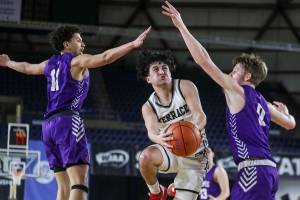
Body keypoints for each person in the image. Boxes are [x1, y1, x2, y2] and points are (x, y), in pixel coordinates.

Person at [162, 1, 296, 199]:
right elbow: (291, 124)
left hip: (252, 170)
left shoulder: (238, 90)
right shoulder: (264, 104)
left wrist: (181, 26)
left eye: (235, 71)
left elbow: (204, 61)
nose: (230, 74)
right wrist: (286, 113)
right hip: (270, 172)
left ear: (247, 77)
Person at [0, 25, 150, 200]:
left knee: (63, 186)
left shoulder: (49, 63)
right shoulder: (75, 61)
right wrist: (132, 44)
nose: (83, 44)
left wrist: (8, 62)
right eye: (78, 40)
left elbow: (27, 68)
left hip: (48, 126)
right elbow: (105, 57)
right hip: (67, 121)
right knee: (79, 182)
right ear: (66, 44)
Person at [137, 50, 209, 200]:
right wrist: (159, 139)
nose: (162, 71)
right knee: (145, 158)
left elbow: (199, 114)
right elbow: (151, 131)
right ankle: (157, 192)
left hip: (195, 153)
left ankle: (178, 187)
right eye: (156, 69)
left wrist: (194, 129)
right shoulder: (148, 107)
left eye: (165, 68)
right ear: (148, 78)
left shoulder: (185, 86)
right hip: (172, 148)